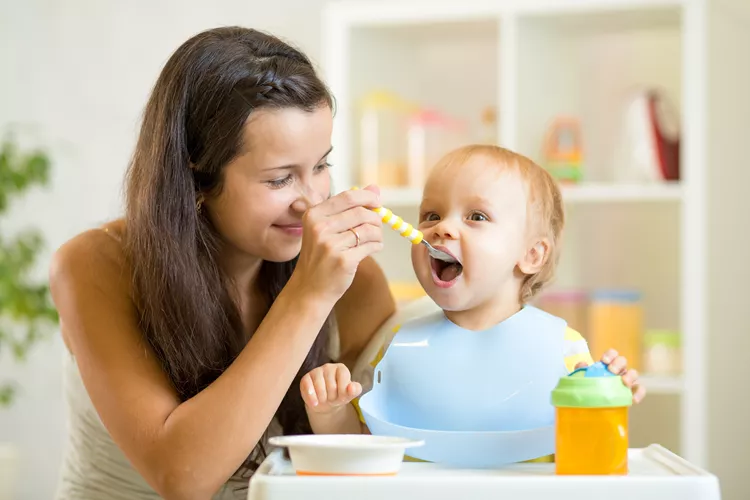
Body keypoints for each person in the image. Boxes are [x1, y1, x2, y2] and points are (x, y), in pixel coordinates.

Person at [48, 27, 395, 500]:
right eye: (279, 180)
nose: (312, 202)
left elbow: (370, 458)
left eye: (321, 165)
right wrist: (307, 296)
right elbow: (183, 479)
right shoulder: (95, 264)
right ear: (197, 175)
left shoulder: (352, 281)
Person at [301, 145, 646, 455]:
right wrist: (330, 412)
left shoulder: (563, 351)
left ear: (531, 254)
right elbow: (365, 446)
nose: (442, 228)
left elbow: (586, 456)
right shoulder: (398, 347)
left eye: (476, 217)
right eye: (431, 215)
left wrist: (605, 399)